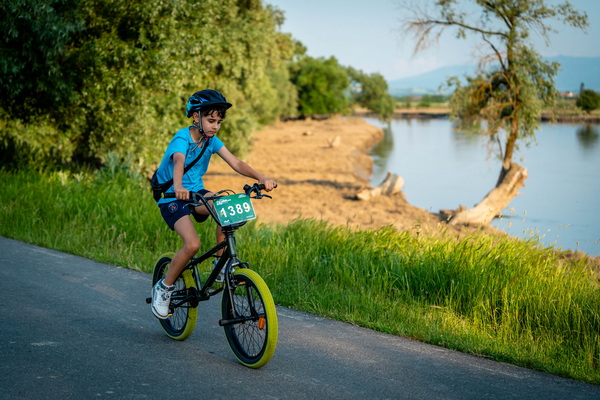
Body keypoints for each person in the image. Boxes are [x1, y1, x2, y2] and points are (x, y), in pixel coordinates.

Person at [151, 89, 277, 319]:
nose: (215, 126)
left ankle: (221, 265)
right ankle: (164, 288)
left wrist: (261, 178)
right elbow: (178, 161)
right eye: (211, 120)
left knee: (224, 206)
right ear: (196, 116)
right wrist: (178, 187)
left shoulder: (211, 141)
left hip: (195, 192)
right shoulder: (182, 138)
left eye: (219, 122)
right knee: (192, 245)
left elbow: (235, 162)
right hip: (172, 196)